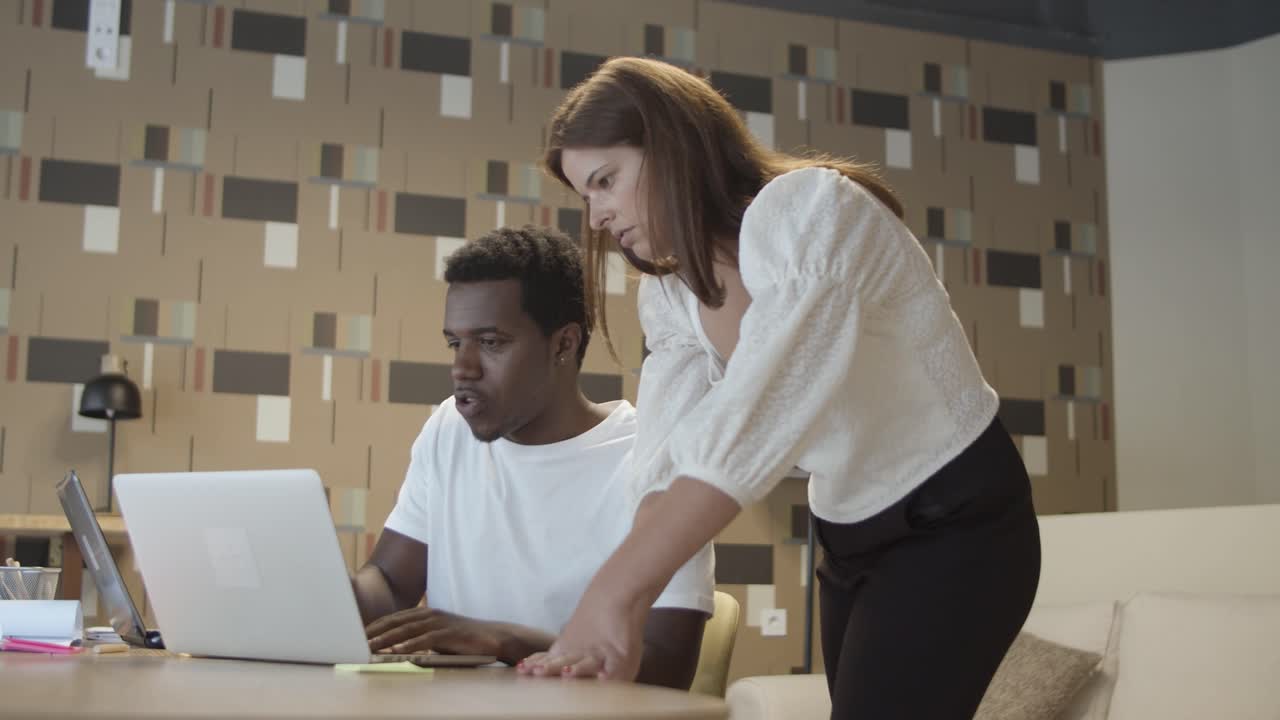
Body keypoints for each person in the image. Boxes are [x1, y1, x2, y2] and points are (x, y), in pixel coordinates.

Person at [518, 57, 1041, 718]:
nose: (596, 216)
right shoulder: (671, 295)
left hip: (955, 518)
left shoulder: (813, 209)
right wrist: (624, 611)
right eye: (585, 196)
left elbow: (761, 410)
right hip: (848, 535)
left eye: (606, 181)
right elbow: (664, 464)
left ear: (673, 147)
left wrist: (613, 594)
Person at [350, 225, 714, 690]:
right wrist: (321, 589)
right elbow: (389, 583)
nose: (462, 368)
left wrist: (506, 641)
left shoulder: (656, 457)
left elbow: (668, 668)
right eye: (455, 343)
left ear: (563, 344)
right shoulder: (448, 430)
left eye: (490, 343)